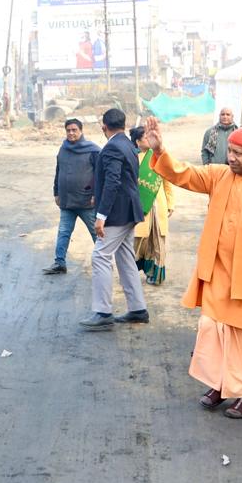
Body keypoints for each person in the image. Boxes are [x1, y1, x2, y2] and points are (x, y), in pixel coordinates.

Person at [144, 117, 242, 419]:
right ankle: (219, 384)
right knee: (213, 331)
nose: (231, 158)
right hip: (219, 275)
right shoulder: (219, 176)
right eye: (230, 151)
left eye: (239, 153)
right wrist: (161, 150)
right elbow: (185, 175)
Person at [79, 108, 147, 330]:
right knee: (125, 256)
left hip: (117, 213)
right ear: (124, 124)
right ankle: (138, 309)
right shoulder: (128, 144)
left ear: (103, 127)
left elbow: (112, 181)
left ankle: (103, 312)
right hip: (129, 211)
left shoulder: (111, 148)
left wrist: (101, 216)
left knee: (100, 256)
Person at [45, 118, 100, 275]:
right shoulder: (63, 149)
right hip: (66, 201)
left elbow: (100, 175)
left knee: (97, 234)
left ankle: (104, 262)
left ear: (81, 131)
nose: (71, 133)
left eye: (74, 130)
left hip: (87, 202)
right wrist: (56, 192)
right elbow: (58, 172)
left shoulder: (93, 150)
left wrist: (96, 194)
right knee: (63, 232)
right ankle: (59, 263)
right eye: (68, 130)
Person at [131, 125, 174, 285]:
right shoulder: (132, 158)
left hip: (159, 205)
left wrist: (170, 202)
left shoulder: (159, 156)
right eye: (145, 138)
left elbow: (167, 180)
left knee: (158, 241)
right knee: (139, 242)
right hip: (141, 206)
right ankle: (131, 274)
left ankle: (156, 276)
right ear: (137, 141)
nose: (149, 140)